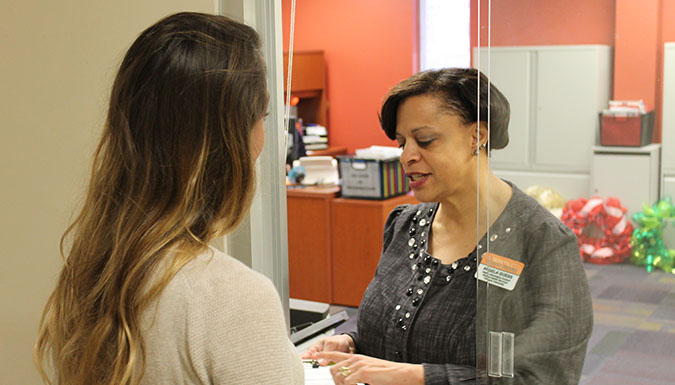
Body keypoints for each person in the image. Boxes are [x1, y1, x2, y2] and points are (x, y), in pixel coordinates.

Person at [34, 12, 303, 385]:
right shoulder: (233, 298)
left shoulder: (93, 272)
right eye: (263, 114)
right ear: (227, 143)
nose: (264, 134)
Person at [302, 68, 593, 385]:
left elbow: (542, 378)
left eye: (425, 140)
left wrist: (420, 377)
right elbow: (405, 332)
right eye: (402, 143)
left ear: (476, 137)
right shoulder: (405, 224)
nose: (407, 156)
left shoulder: (543, 242)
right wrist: (353, 343)